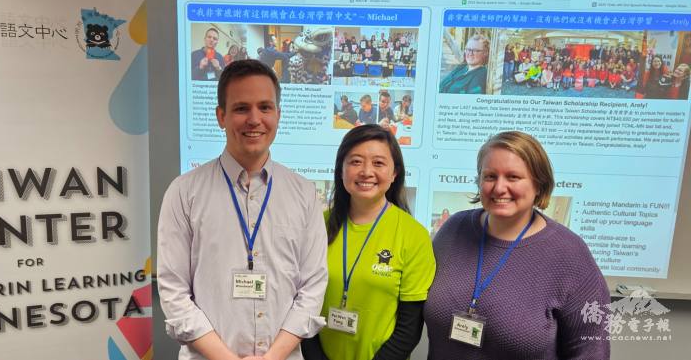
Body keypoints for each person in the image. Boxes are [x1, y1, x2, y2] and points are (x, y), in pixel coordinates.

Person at [157, 60, 329, 360]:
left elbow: (312, 288)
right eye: (241, 108)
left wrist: (273, 356)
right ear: (220, 116)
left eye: (265, 107)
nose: (254, 119)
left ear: (278, 114)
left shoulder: (304, 193)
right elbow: (173, 291)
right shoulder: (184, 192)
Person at [422, 131, 610, 360]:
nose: (499, 188)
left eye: (513, 177)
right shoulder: (453, 229)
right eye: (490, 176)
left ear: (539, 184)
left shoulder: (570, 255)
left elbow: (590, 353)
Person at [302, 124, 436, 360]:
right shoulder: (316, 226)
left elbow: (409, 327)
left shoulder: (413, 235)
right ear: (340, 170)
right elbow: (302, 302)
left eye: (378, 163)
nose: (366, 171)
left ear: (394, 173)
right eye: (355, 162)